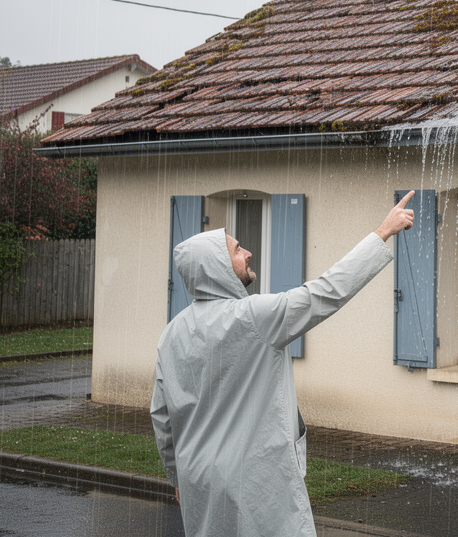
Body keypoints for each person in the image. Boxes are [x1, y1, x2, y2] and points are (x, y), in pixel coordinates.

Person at [151, 191, 416, 537]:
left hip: (199, 480)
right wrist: (383, 233)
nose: (248, 253)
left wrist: (177, 477)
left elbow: (162, 416)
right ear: (216, 267)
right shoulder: (254, 316)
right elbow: (326, 292)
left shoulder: (171, 334)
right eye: (236, 250)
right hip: (255, 481)